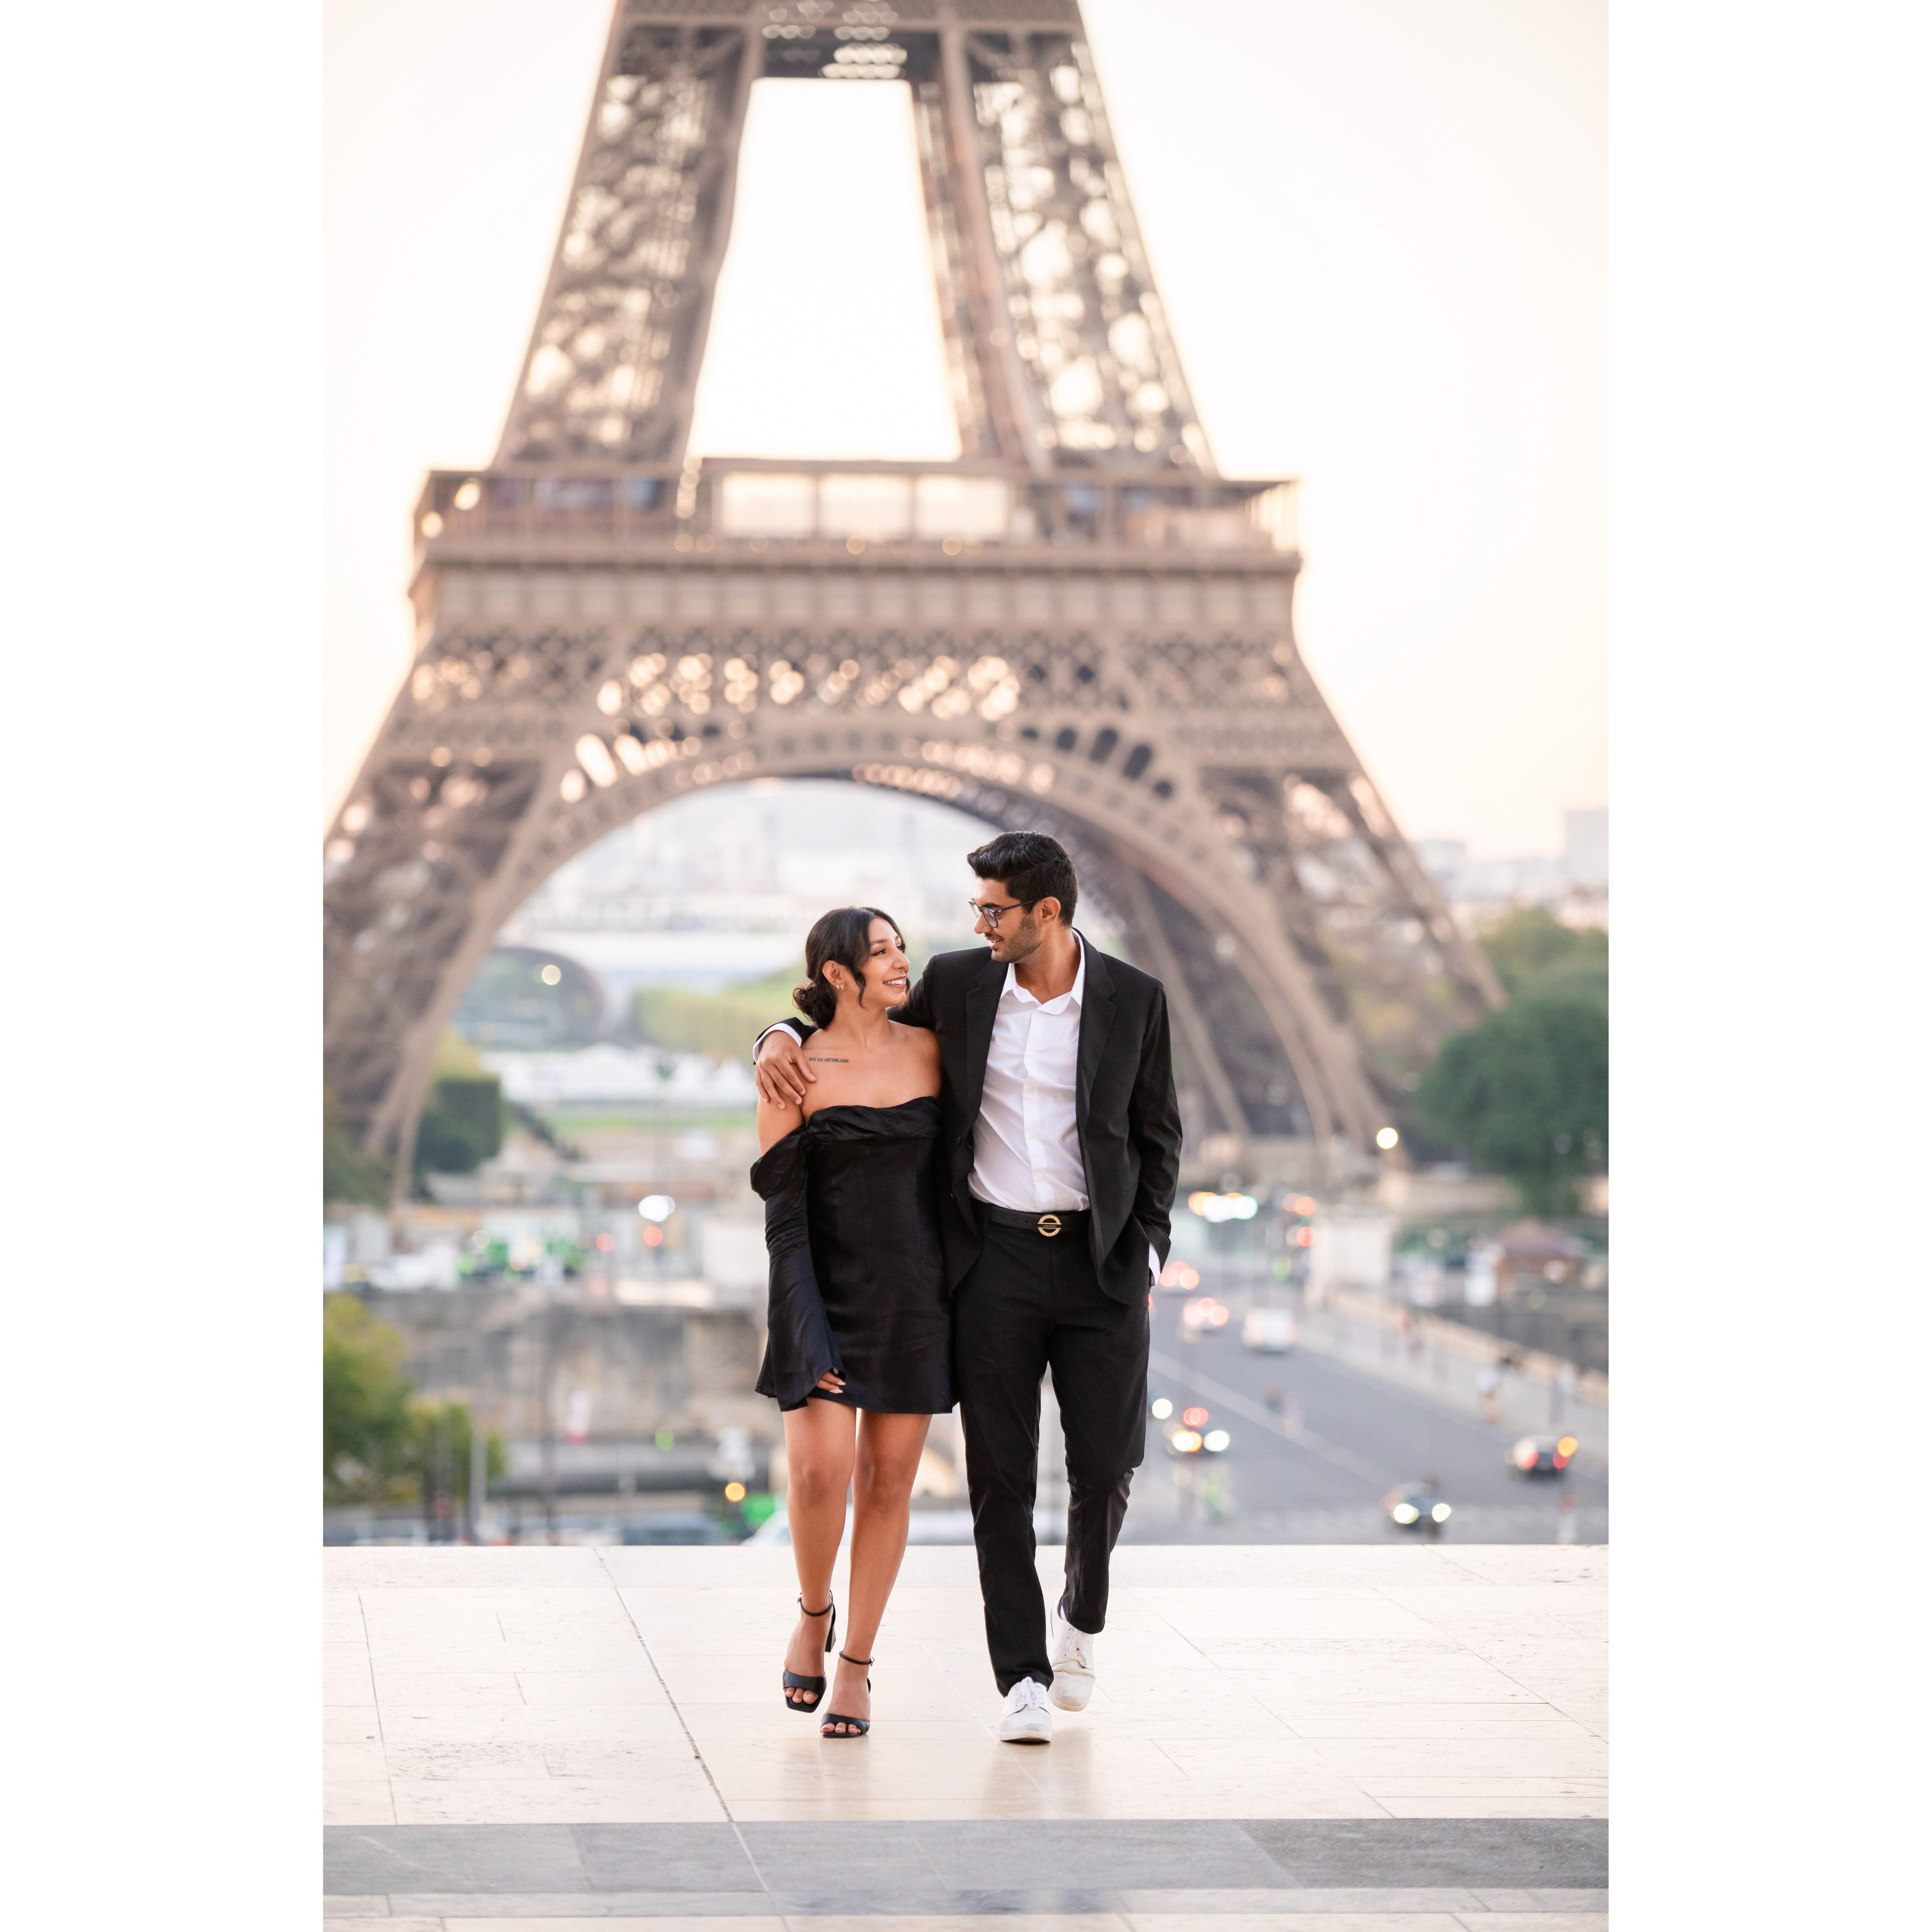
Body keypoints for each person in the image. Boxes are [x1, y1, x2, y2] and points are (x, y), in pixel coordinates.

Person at [756, 831, 1181, 1744]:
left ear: (1046, 912)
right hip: (993, 1261)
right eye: (977, 909)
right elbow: (845, 1024)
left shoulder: (1136, 998)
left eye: (993, 909)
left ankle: (1082, 1618)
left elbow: (1159, 1136)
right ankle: (1019, 1675)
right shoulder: (960, 985)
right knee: (996, 1476)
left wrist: (1147, 1251)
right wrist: (775, 1034)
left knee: (1107, 1466)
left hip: (1094, 1263)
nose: (978, 923)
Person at [753, 906, 949, 1740]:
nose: (902, 961)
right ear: (838, 973)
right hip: (823, 1297)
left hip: (917, 1299)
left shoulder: (935, 1048)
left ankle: (858, 1667)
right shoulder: (794, 1067)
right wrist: (804, 1324)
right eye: (882, 952)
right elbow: (783, 1219)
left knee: (889, 1483)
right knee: (816, 1474)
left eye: (902, 946)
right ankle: (813, 1611)